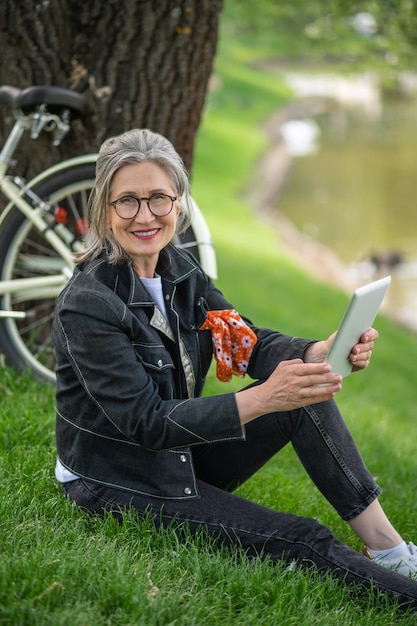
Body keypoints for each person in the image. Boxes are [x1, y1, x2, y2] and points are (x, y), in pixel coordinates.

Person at [53, 128, 417, 611]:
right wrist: (265, 397)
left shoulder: (180, 270)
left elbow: (243, 341)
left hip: (180, 450)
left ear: (178, 203)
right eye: (127, 202)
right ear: (103, 210)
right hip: (118, 479)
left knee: (304, 398)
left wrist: (314, 352)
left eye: (159, 198)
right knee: (301, 538)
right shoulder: (88, 305)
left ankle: (391, 551)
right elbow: (147, 424)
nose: (145, 215)